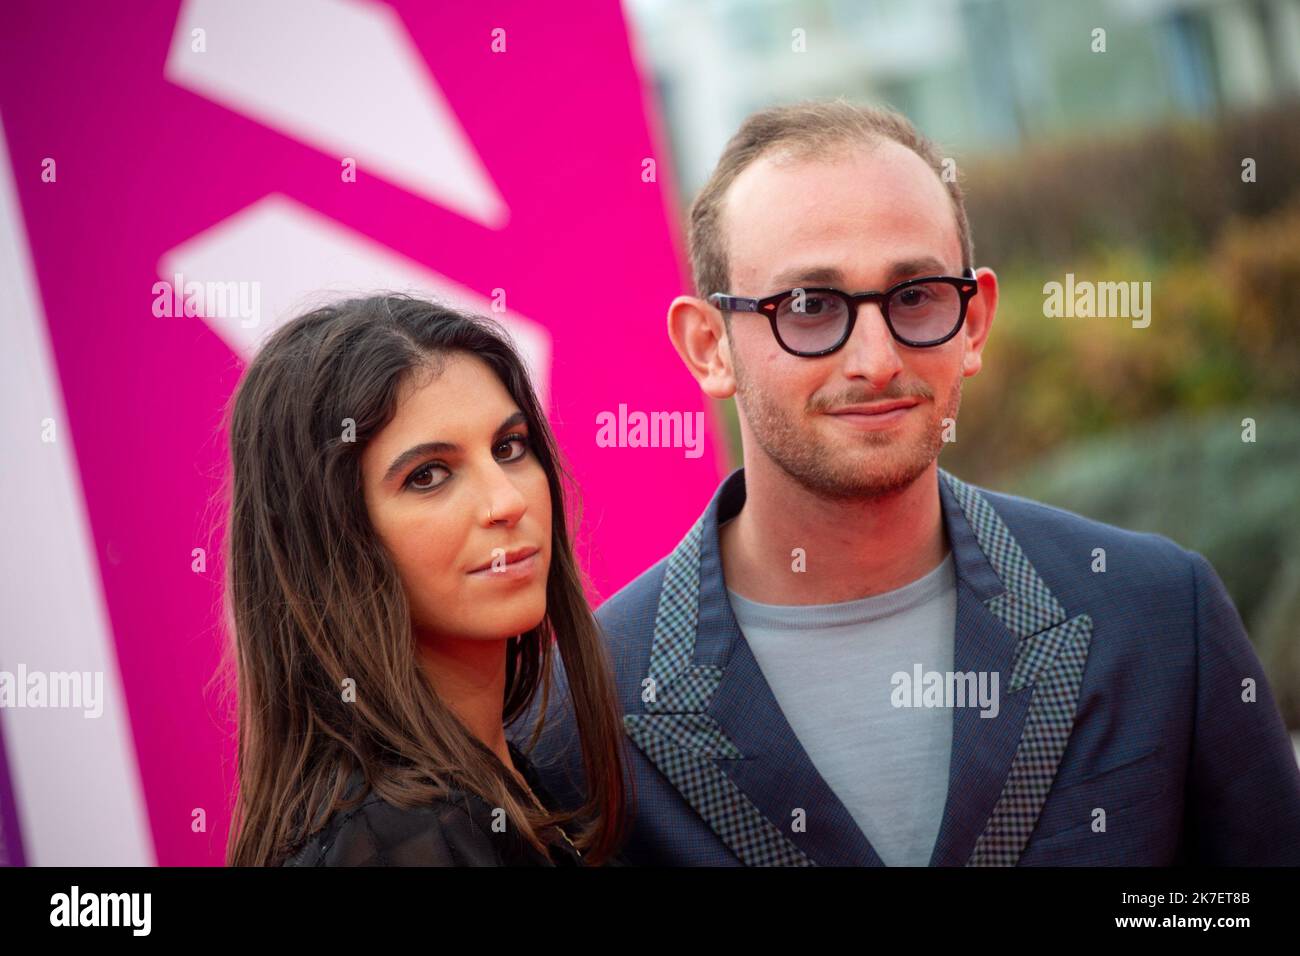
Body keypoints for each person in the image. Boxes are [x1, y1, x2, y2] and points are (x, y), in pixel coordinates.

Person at [516, 99, 1300, 865]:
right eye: (811, 305)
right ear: (709, 346)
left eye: (916, 297)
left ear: (975, 321)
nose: (877, 359)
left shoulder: (1160, 616)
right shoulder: (577, 721)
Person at [222, 295, 630, 866]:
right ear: (327, 541)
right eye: (428, 475)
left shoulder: (504, 781)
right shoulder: (395, 842)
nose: (507, 502)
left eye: (509, 447)